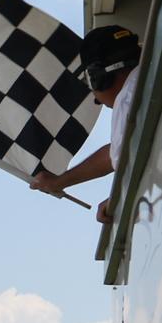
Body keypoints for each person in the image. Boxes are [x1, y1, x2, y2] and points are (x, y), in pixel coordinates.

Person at [29, 24, 142, 222]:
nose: (94, 97)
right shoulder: (147, 83)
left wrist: (118, 201)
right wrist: (60, 181)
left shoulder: (127, 98)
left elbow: (125, 161)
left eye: (90, 82)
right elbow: (116, 151)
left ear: (99, 76)